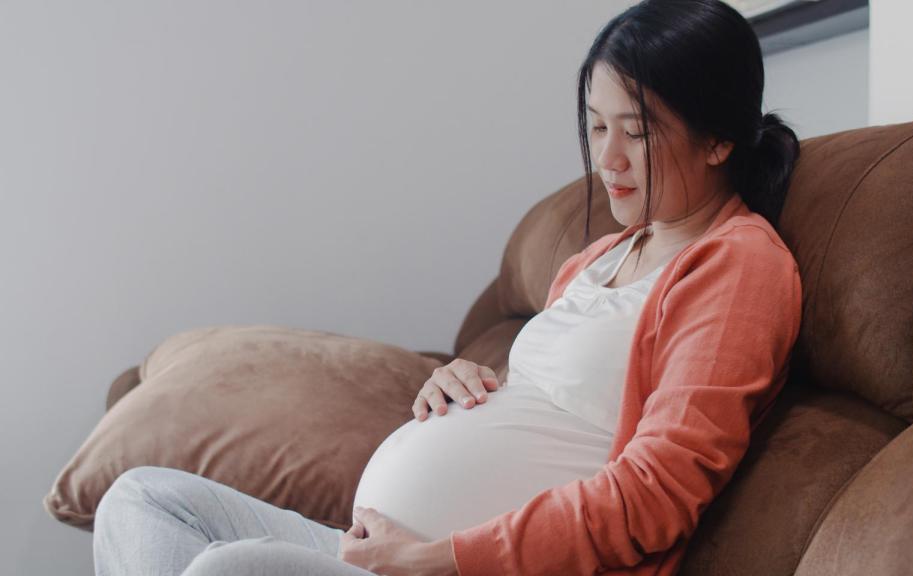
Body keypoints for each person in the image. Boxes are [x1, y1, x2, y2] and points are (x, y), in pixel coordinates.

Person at [92, 0, 803, 574]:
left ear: (718, 140)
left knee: (232, 570)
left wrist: (440, 559)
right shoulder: (599, 257)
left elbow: (656, 494)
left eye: (638, 133)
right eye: (596, 127)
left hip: (451, 569)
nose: (608, 160)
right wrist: (468, 385)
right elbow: (549, 415)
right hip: (382, 555)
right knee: (142, 498)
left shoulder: (738, 265)